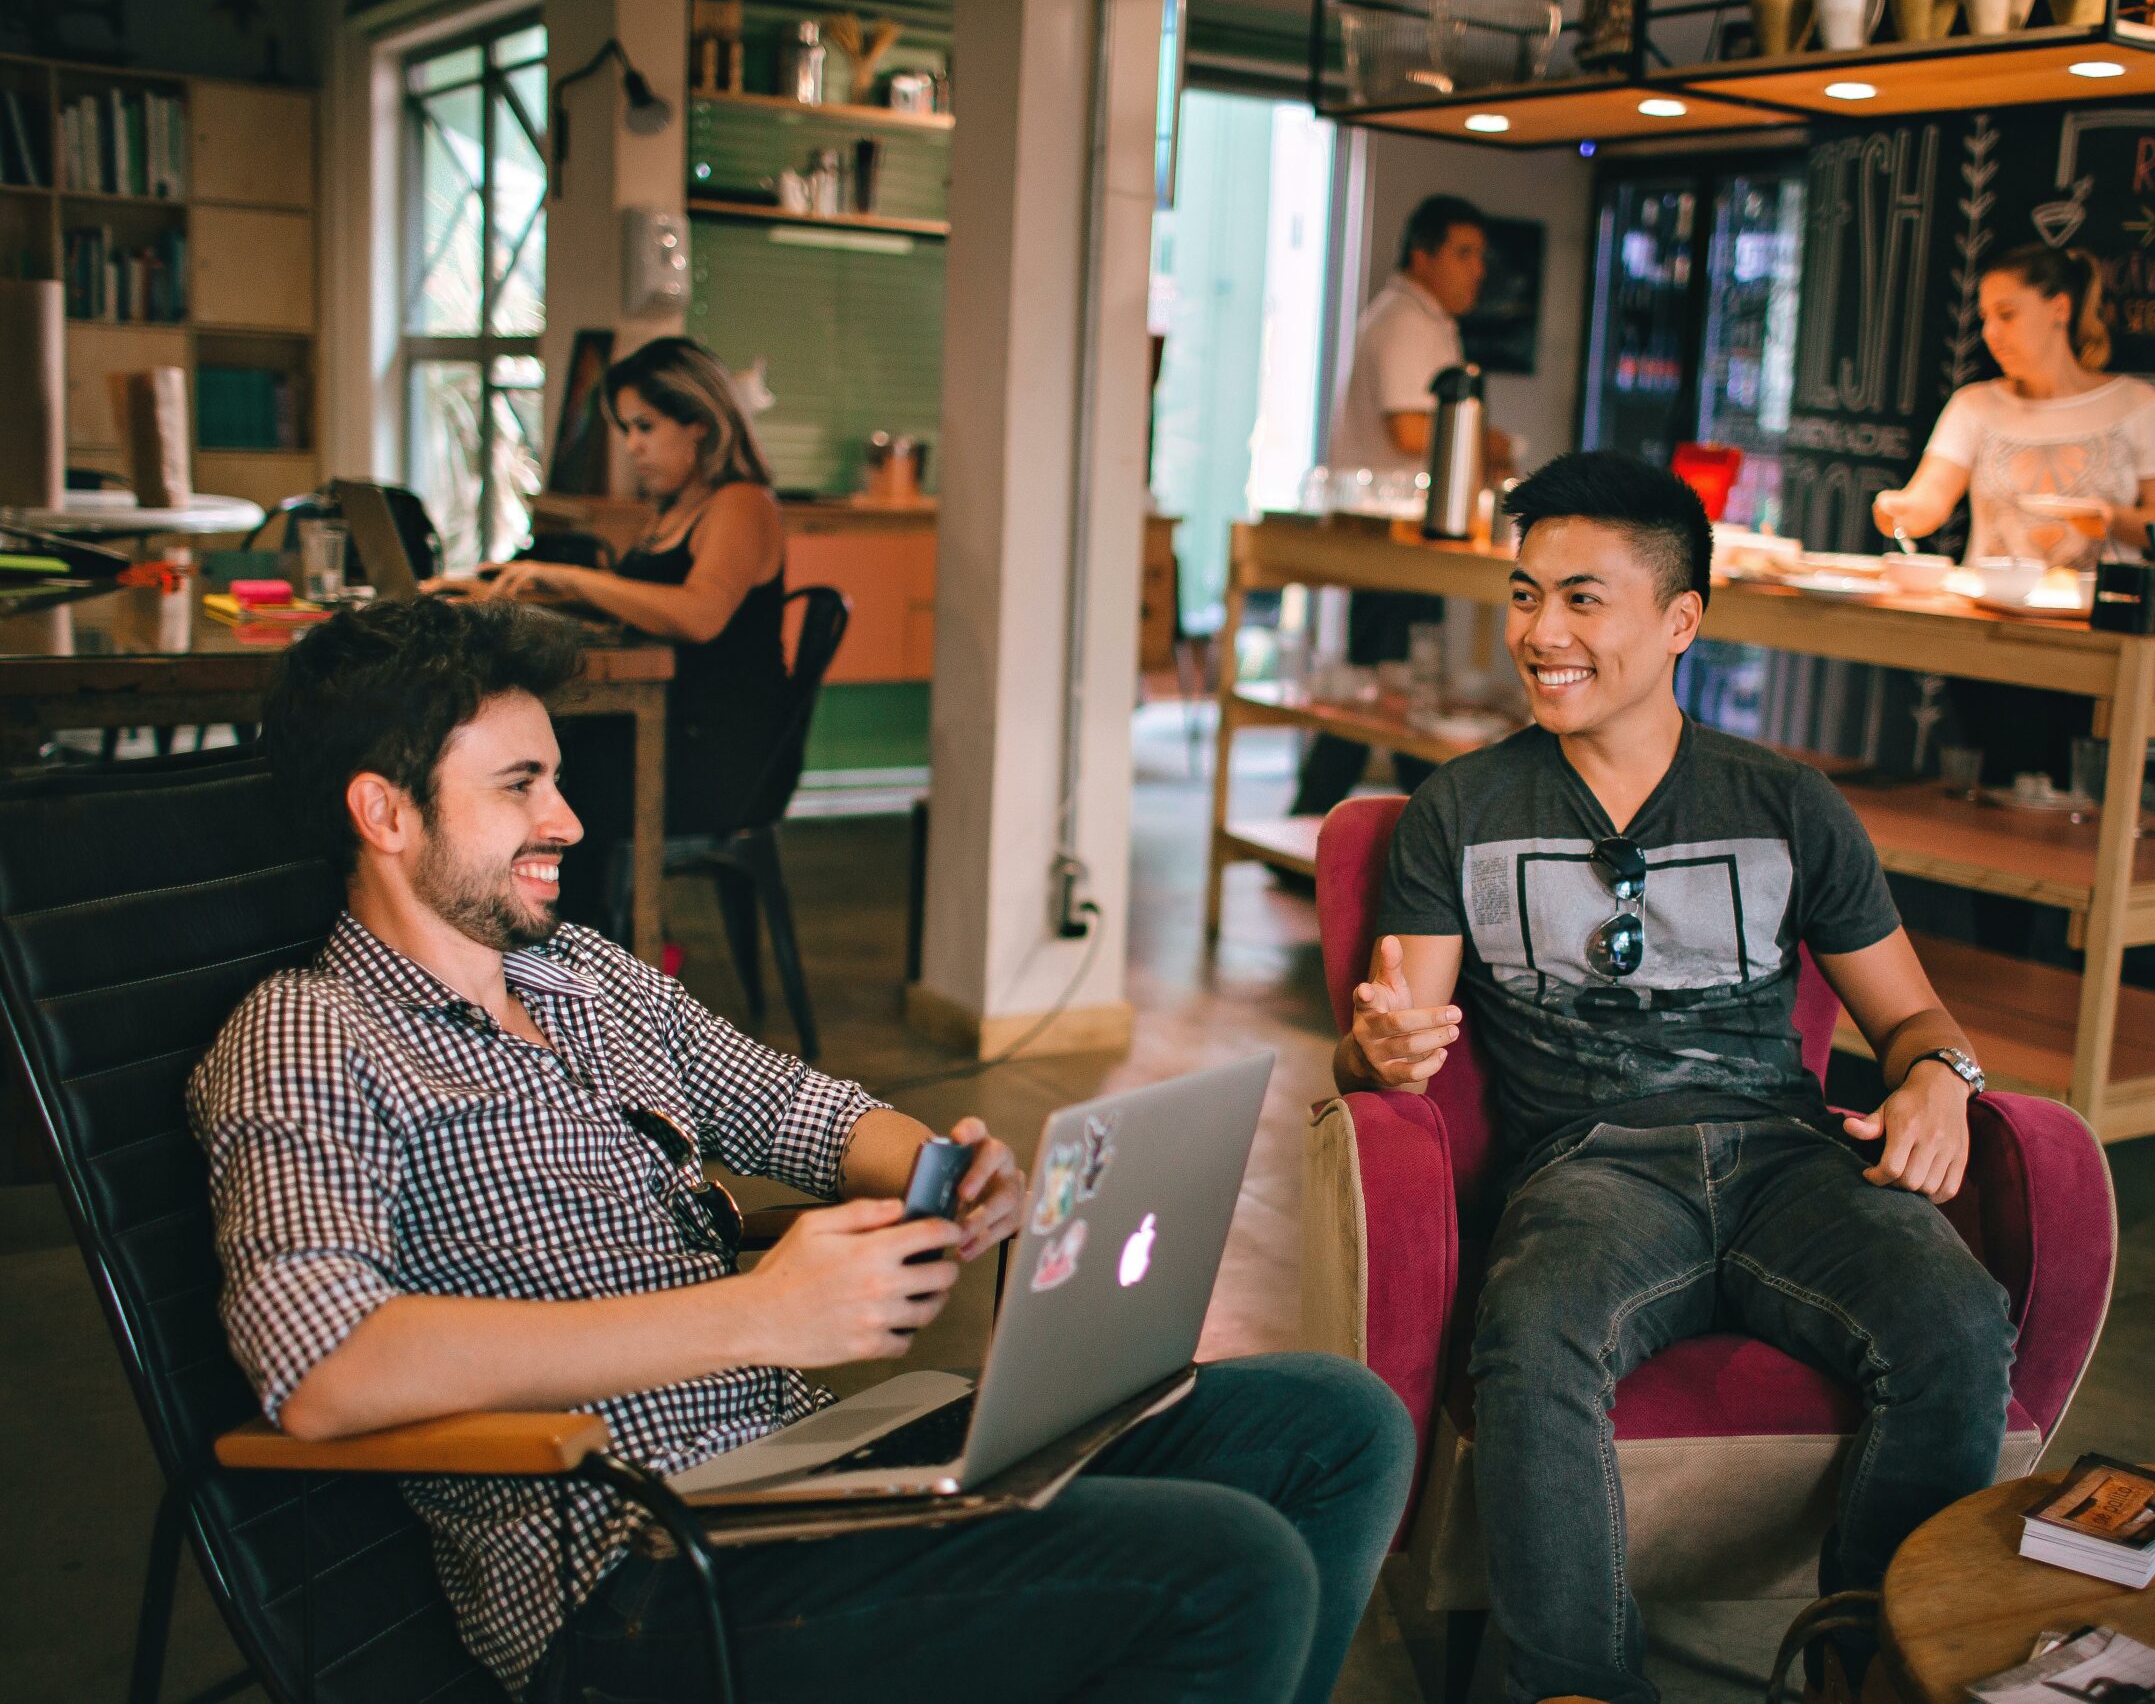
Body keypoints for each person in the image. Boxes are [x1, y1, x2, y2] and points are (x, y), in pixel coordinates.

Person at [189, 596, 1415, 1703]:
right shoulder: (308, 1034)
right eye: (519, 785)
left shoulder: (582, 978)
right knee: (1224, 1570)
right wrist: (758, 1319)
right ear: (384, 810)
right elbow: (323, 1367)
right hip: (634, 1573)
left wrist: (942, 1173)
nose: (565, 817)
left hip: (805, 1475)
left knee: (1336, 1424)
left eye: (555, 777)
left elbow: (805, 1112)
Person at [1337, 452, 2015, 1704]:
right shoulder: (1461, 809)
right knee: (1533, 1334)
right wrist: (1375, 1051)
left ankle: (1867, 1670)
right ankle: (1575, 1689)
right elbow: (1396, 1027)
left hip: (1788, 1159)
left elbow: (1913, 1014)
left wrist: (1941, 1079)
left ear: (1680, 620)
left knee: (1957, 1323)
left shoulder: (1788, 805)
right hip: (1591, 1168)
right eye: (1524, 595)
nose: (1540, 635)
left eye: (1582, 599)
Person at [452, 336, 795, 928]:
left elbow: (698, 613)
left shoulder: (743, 505)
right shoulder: (676, 508)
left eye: (645, 426)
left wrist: (571, 579)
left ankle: (570, 958)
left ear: (701, 426)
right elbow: (639, 611)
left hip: (715, 753)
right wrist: (522, 590)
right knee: (534, 763)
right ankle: (533, 946)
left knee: (547, 778)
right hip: (669, 725)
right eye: (626, 429)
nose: (632, 446)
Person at [1291, 194, 1514, 822]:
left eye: (1481, 257)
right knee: (1391, 692)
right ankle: (1342, 825)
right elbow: (1414, 432)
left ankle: (1386, 825)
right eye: (1464, 253)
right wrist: (1492, 443)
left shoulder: (1425, 320)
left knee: (1395, 688)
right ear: (1423, 255)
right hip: (1393, 538)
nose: (1477, 270)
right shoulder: (1405, 321)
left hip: (1410, 538)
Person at [1872, 245, 2155, 572]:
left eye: (2006, 314)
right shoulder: (1973, 405)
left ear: (2060, 309)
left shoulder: (2136, 404)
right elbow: (1929, 500)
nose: (1991, 333)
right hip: (1988, 608)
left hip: (2094, 613)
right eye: (1985, 318)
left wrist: (2111, 518)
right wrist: (1900, 509)